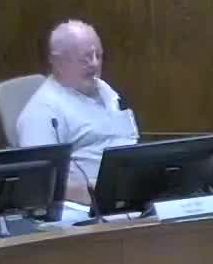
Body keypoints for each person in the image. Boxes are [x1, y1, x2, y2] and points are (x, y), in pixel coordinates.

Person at [13, 19, 139, 203]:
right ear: (58, 62)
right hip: (89, 206)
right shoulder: (42, 112)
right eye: (85, 58)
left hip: (132, 195)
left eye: (99, 56)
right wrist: (96, 193)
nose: (95, 64)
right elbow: (40, 183)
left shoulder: (104, 90)